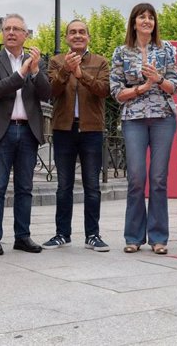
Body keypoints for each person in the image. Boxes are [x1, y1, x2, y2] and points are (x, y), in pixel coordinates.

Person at [0, 14, 51, 255]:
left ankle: (23, 236)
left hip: (28, 130)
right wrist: (22, 72)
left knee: (25, 187)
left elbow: (45, 93)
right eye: (7, 28)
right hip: (2, 130)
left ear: (26, 34)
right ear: (1, 33)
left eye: (17, 29)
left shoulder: (35, 61)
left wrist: (37, 70)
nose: (11, 32)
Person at [110, 3, 177, 255]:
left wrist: (158, 80)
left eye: (151, 17)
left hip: (163, 117)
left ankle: (159, 238)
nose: (147, 21)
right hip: (133, 119)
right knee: (137, 178)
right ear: (134, 22)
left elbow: (175, 86)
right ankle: (133, 236)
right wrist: (142, 87)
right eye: (142, 17)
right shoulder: (121, 52)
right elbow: (116, 92)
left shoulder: (166, 49)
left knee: (159, 179)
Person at [44, 19, 111, 252]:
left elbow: (104, 91)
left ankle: (92, 234)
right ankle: (62, 233)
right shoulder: (56, 61)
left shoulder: (100, 62)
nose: (78, 35)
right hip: (64, 129)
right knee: (64, 186)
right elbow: (50, 90)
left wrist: (81, 74)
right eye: (73, 32)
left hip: (91, 129)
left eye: (82, 32)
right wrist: (66, 70)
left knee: (92, 186)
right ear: (66, 38)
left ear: (88, 37)